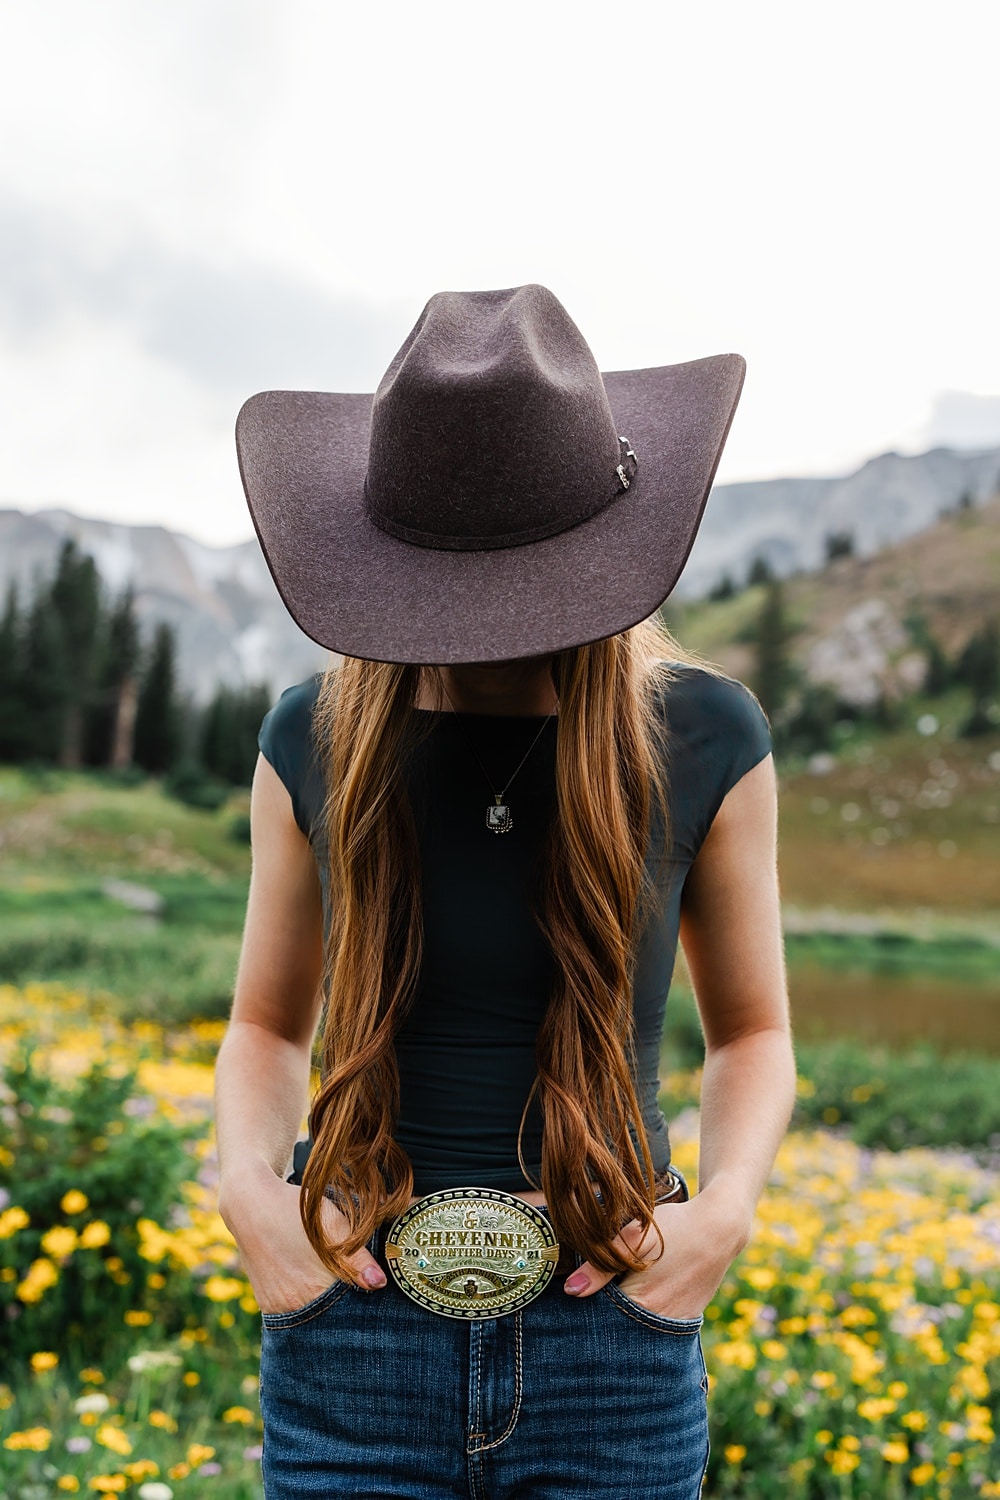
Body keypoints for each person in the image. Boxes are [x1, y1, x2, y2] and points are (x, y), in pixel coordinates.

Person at [216, 284, 796, 1500]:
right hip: (353, 1336)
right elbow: (265, 1025)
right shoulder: (309, 736)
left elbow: (752, 1032)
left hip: (611, 1342)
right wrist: (251, 1200)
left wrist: (726, 1213)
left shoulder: (704, 736)